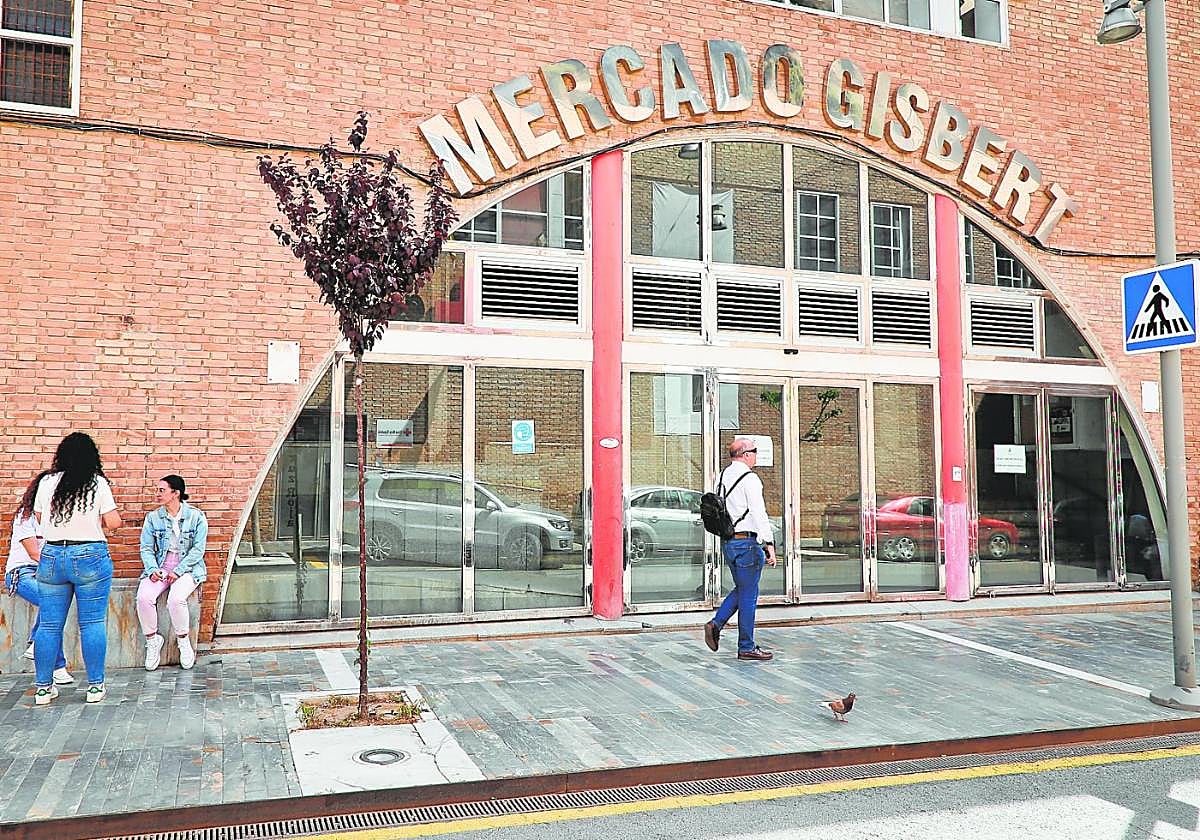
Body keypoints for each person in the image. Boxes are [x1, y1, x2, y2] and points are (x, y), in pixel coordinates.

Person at [32, 433, 122, 705]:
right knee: (92, 623)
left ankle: (43, 689)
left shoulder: (47, 482)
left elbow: (39, 517)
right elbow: (113, 522)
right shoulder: (97, 483)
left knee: (49, 625)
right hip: (89, 554)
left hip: (52, 554)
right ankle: (94, 687)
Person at [703, 437, 777, 661]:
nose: (756, 456)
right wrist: (769, 543)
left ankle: (716, 624)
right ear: (745, 454)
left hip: (729, 542)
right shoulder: (750, 478)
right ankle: (746, 646)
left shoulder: (722, 476)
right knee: (749, 595)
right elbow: (758, 513)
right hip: (747, 543)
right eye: (754, 451)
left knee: (743, 588)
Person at [5, 470, 74, 686]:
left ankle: (41, 646)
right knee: (53, 601)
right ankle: (57, 664)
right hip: (21, 572)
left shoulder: (56, 517)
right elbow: (34, 553)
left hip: (46, 573)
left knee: (54, 604)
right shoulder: (25, 517)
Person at [137, 475, 207, 671]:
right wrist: (152, 569)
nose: (157, 494)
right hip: (161, 565)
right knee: (143, 597)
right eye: (157, 490)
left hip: (188, 568)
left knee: (176, 599)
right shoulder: (153, 518)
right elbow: (146, 548)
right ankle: (153, 640)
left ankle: (183, 642)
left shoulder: (196, 516)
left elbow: (198, 550)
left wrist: (178, 570)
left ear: (176, 493)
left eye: (162, 490)